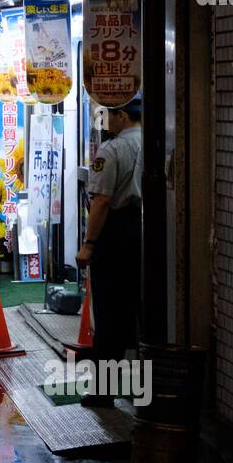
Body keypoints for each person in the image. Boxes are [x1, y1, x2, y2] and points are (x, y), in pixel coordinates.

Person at [75, 97, 142, 406]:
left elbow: (101, 200)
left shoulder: (112, 149)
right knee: (138, 309)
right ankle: (145, 386)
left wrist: (89, 244)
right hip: (146, 232)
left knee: (110, 315)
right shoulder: (154, 140)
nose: (106, 121)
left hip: (116, 233)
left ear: (122, 116)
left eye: (109, 115)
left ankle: (103, 392)